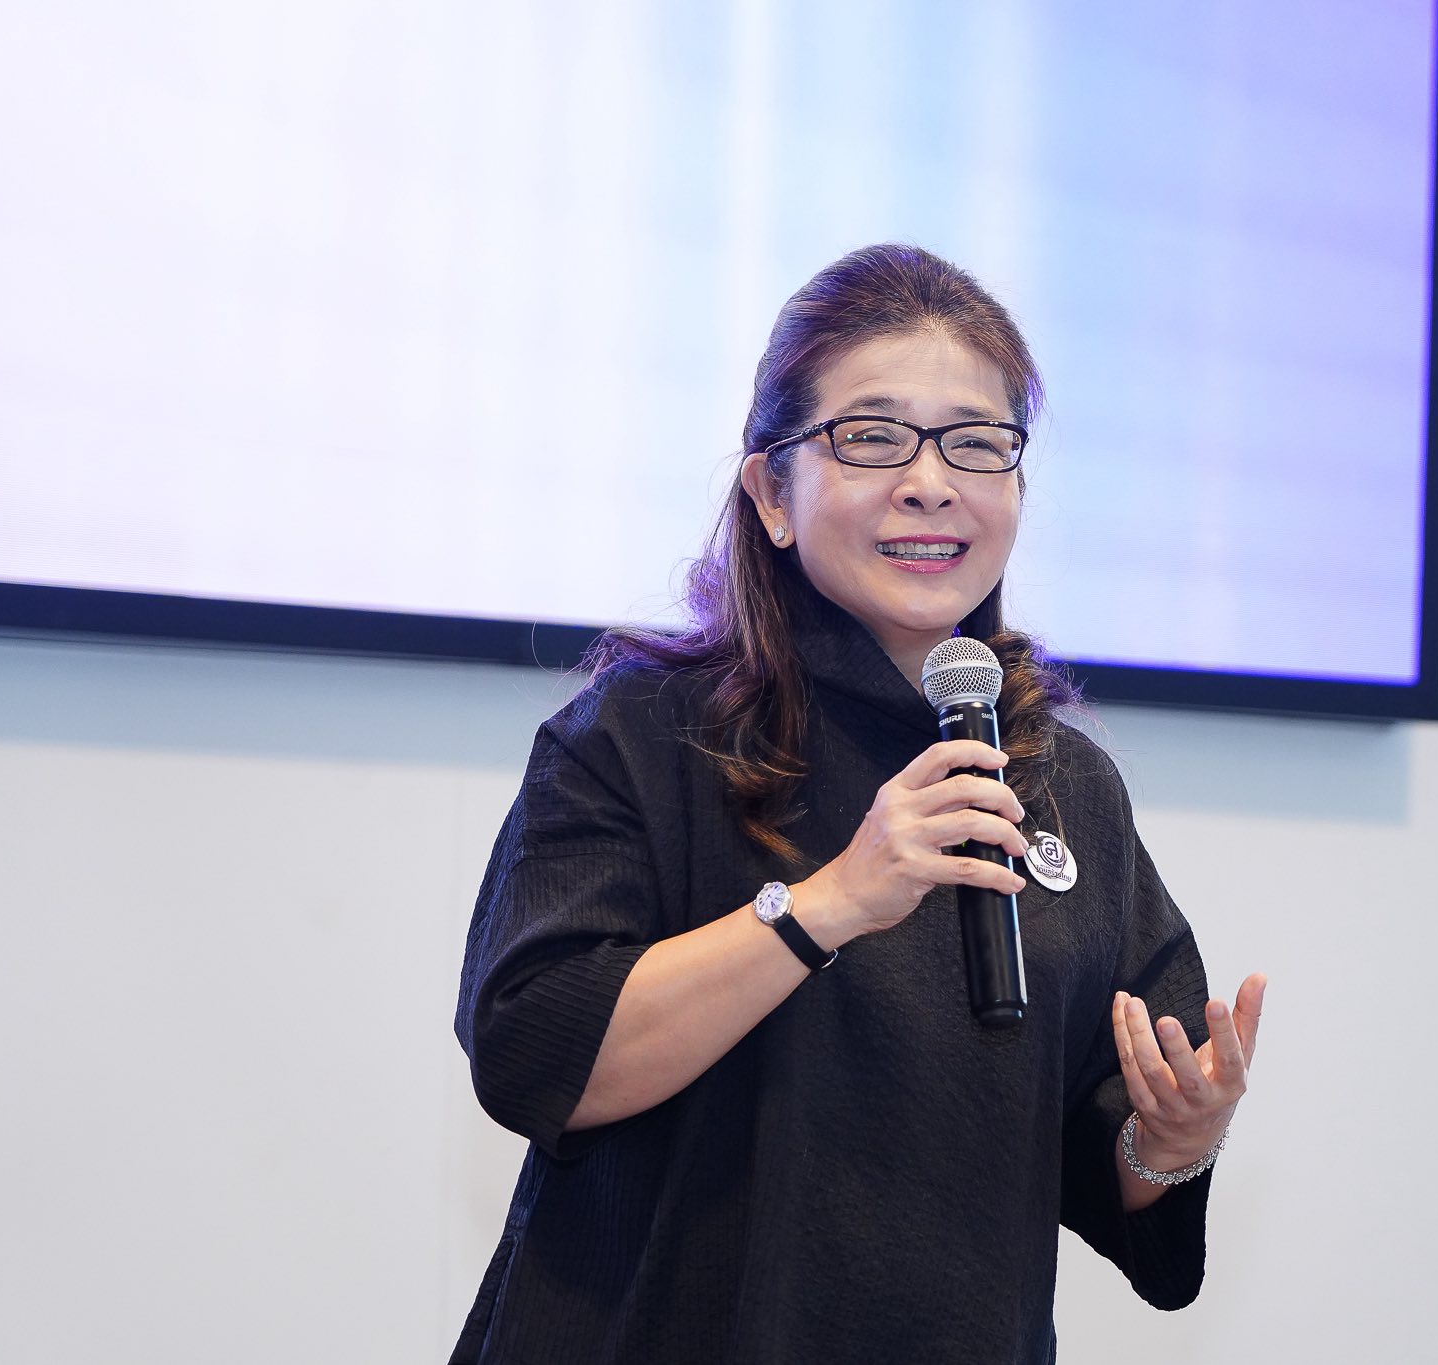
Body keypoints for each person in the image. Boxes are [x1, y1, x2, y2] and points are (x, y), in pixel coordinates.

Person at [451, 243, 1268, 1364]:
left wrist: (1170, 1142)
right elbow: (538, 1050)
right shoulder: (645, 733)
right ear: (770, 494)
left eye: (975, 442)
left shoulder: (1061, 784)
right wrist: (832, 901)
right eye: (872, 438)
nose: (930, 481)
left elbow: (1104, 1155)